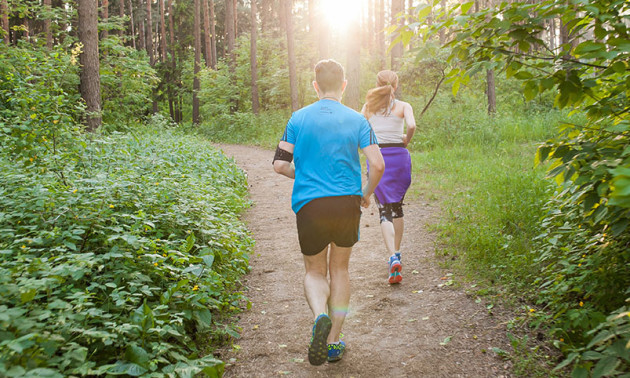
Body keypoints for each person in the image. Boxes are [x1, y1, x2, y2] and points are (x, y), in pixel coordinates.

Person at [273, 59, 384, 366]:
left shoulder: (297, 118)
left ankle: (320, 315)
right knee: (340, 270)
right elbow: (377, 165)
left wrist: (306, 173)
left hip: (310, 204)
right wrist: (365, 193)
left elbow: (280, 164)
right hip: (347, 202)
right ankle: (333, 341)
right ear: (344, 85)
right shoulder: (358, 120)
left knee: (314, 271)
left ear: (315, 85)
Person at [361, 70, 416, 285]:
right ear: (396, 84)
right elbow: (411, 126)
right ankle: (398, 254)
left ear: (377, 84)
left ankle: (392, 255)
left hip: (378, 157)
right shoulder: (404, 106)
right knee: (398, 207)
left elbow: (358, 126)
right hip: (399, 157)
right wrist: (405, 140)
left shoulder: (368, 107)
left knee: (384, 209)